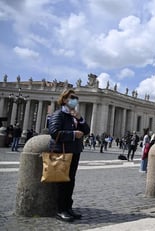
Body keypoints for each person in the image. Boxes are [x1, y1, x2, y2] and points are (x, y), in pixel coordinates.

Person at [48, 89, 90, 222]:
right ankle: (60, 210)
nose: (75, 100)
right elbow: (54, 132)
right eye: (72, 98)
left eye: (76, 98)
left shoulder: (74, 116)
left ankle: (68, 207)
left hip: (74, 151)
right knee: (62, 181)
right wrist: (73, 134)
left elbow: (87, 131)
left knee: (70, 180)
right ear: (65, 100)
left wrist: (80, 119)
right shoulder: (58, 114)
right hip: (62, 152)